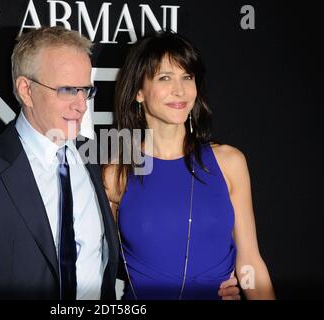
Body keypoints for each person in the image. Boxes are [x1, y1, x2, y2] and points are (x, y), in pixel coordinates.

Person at [0, 26, 120, 299]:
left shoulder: (95, 159)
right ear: (26, 90)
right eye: (68, 90)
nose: (81, 105)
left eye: (85, 91)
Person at [102, 30, 275, 300]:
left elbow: (250, 262)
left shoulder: (229, 162)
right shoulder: (116, 173)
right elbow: (97, 266)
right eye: (164, 78)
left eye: (187, 77)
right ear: (138, 91)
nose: (180, 90)